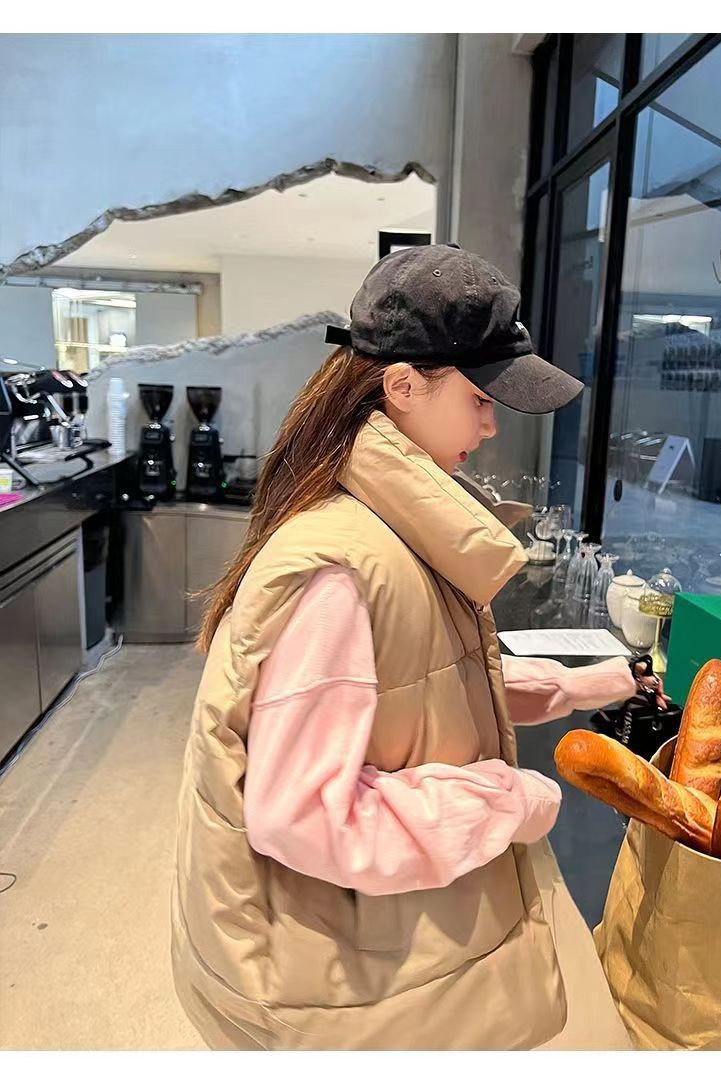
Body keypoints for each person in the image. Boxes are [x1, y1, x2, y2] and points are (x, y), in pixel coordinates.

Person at [171, 244, 660, 1050]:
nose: (492, 424)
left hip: (381, 942)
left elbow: (419, 689)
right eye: (480, 398)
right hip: (332, 981)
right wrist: (508, 801)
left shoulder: (387, 527)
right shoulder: (341, 567)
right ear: (402, 387)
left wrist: (593, 683)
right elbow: (301, 816)